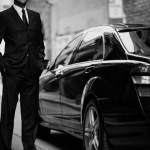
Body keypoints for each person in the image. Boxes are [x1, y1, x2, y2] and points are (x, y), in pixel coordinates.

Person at [0, 0, 45, 149]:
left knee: (30, 115)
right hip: (11, 72)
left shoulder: (35, 16)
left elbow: (39, 43)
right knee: (8, 113)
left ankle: (29, 146)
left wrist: (39, 63)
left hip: (31, 72)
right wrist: (3, 66)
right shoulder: (4, 16)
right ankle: (5, 146)